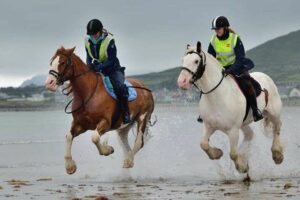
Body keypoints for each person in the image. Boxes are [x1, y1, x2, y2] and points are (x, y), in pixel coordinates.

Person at [207, 16, 263, 122]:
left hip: (237, 66)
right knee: (207, 85)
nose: (216, 31)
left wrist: (231, 70)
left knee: (247, 84)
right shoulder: (213, 40)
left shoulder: (235, 38)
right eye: (215, 29)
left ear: (225, 27)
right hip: (221, 69)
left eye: (218, 28)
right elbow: (211, 58)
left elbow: (240, 58)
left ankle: (255, 112)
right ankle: (204, 113)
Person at [85, 19, 131, 124]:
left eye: (95, 33)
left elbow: (112, 59)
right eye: (91, 34)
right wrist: (89, 65)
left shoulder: (109, 41)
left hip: (112, 69)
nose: (93, 36)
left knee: (120, 88)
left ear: (100, 31)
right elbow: (88, 56)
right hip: (96, 68)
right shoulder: (87, 40)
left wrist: (100, 67)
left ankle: (126, 113)